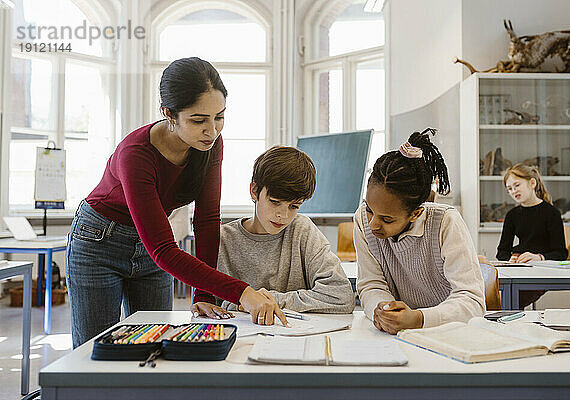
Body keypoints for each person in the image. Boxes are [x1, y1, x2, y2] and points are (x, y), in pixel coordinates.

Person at [66, 57, 285, 348]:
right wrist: (243, 293)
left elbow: (207, 220)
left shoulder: (209, 145)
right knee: (96, 354)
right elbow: (163, 250)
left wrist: (204, 296)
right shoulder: (136, 153)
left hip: (152, 248)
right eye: (198, 120)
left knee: (154, 348)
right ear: (169, 114)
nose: (212, 130)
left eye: (219, 116)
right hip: (99, 242)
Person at [191, 146, 355, 317]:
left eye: (294, 206)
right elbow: (205, 305)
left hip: (295, 337)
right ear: (254, 191)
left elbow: (341, 296)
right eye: (275, 201)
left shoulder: (302, 230)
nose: (283, 216)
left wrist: (271, 300)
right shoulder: (222, 240)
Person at [354, 128, 485, 335]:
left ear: (415, 214)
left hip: (447, 333)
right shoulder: (362, 219)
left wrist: (419, 319)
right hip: (398, 335)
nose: (373, 224)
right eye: (370, 210)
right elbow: (371, 284)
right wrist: (382, 311)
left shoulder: (445, 222)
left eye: (387, 219)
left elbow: (472, 301)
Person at [496, 163, 568, 308]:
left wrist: (538, 257)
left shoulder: (552, 213)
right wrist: (511, 258)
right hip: (519, 269)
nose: (513, 191)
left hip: (542, 270)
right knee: (495, 294)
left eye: (517, 185)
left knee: (509, 301)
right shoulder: (512, 216)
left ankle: (510, 324)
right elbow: (501, 252)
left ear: (532, 183)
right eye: (509, 189)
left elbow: (561, 253)